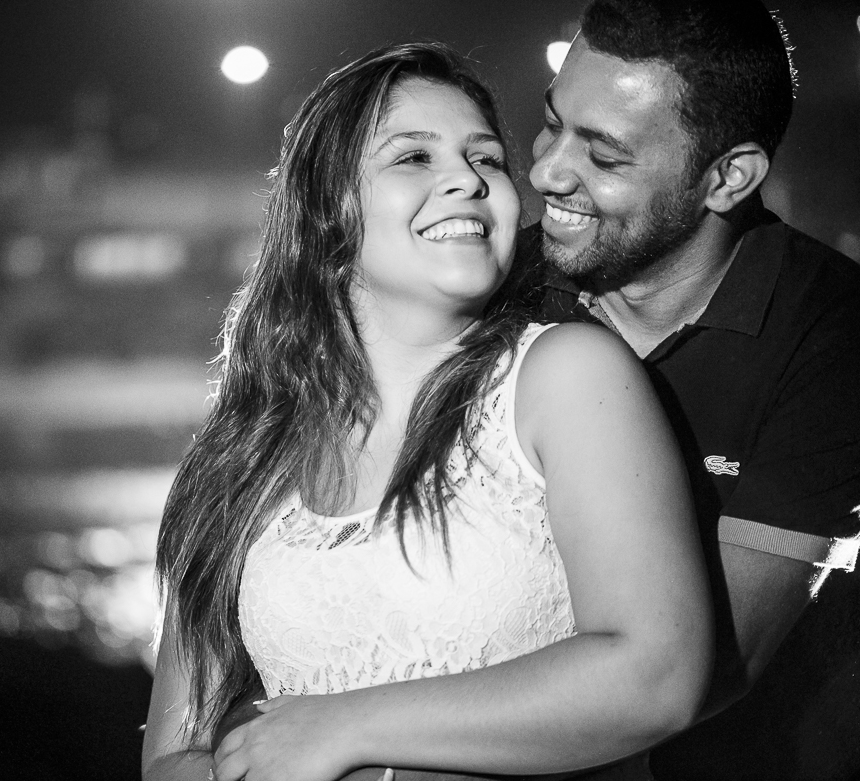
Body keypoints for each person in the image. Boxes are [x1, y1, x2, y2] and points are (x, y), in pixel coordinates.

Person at [142, 41, 713, 781]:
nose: (467, 182)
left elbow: (656, 674)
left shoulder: (567, 376)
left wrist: (344, 728)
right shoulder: (242, 449)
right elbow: (169, 755)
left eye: (486, 159)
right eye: (413, 157)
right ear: (328, 211)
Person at [525, 0, 860, 777]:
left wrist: (375, 726)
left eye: (603, 154)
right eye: (550, 124)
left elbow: (696, 671)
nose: (545, 173)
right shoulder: (502, 290)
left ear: (728, 178)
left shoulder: (834, 334)